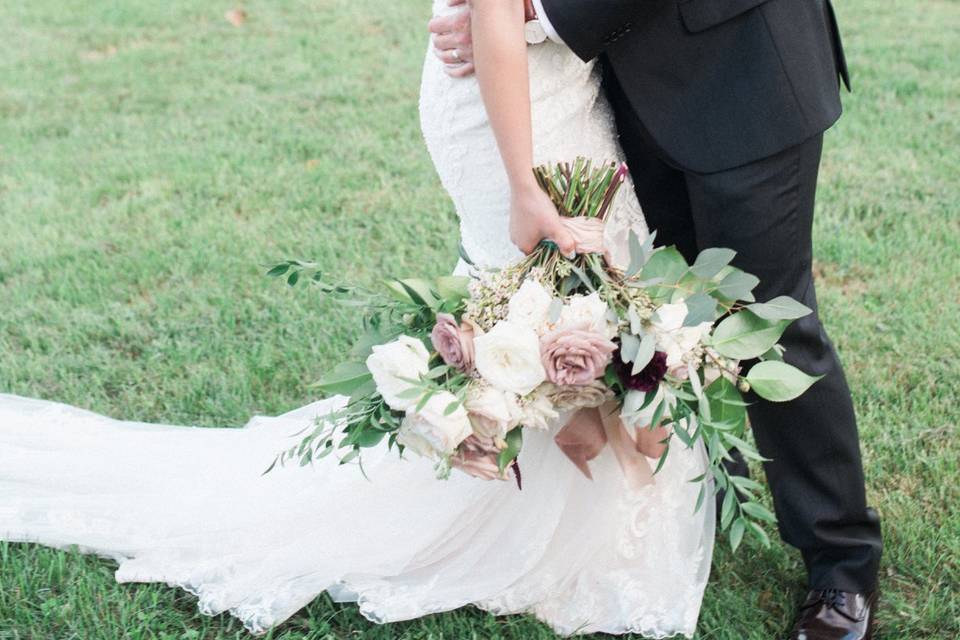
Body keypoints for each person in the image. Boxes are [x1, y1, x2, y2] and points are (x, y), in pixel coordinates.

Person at [0, 0, 718, 637]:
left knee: (577, 286)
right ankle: (527, 524)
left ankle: (572, 500)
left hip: (545, 81)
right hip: (521, 104)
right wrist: (524, 183)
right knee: (551, 288)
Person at [428, 0, 882, 638]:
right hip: (627, 88)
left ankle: (842, 560)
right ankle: (715, 493)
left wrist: (535, 13)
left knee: (769, 327)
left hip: (744, 70)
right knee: (669, 312)